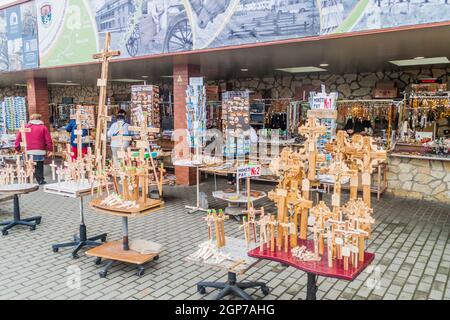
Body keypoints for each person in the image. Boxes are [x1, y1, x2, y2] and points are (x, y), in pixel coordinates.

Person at [15, 114, 53, 185]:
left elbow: (18, 139)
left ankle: (28, 180)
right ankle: (40, 180)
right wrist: (49, 149)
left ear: (31, 119)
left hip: (27, 150)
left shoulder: (25, 127)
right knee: (39, 165)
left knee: (28, 165)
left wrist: (17, 149)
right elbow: (48, 140)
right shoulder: (43, 127)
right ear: (40, 119)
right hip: (39, 150)